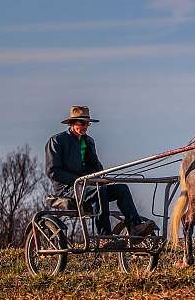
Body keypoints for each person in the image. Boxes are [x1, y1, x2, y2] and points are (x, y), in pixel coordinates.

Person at [45, 105, 155, 247]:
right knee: (99, 191)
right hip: (68, 190)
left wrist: (103, 177)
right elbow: (52, 171)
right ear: (72, 123)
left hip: (89, 187)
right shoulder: (57, 141)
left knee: (122, 189)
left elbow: (96, 167)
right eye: (82, 123)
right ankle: (104, 237)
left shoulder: (88, 142)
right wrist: (79, 181)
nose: (85, 126)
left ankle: (135, 227)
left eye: (87, 123)